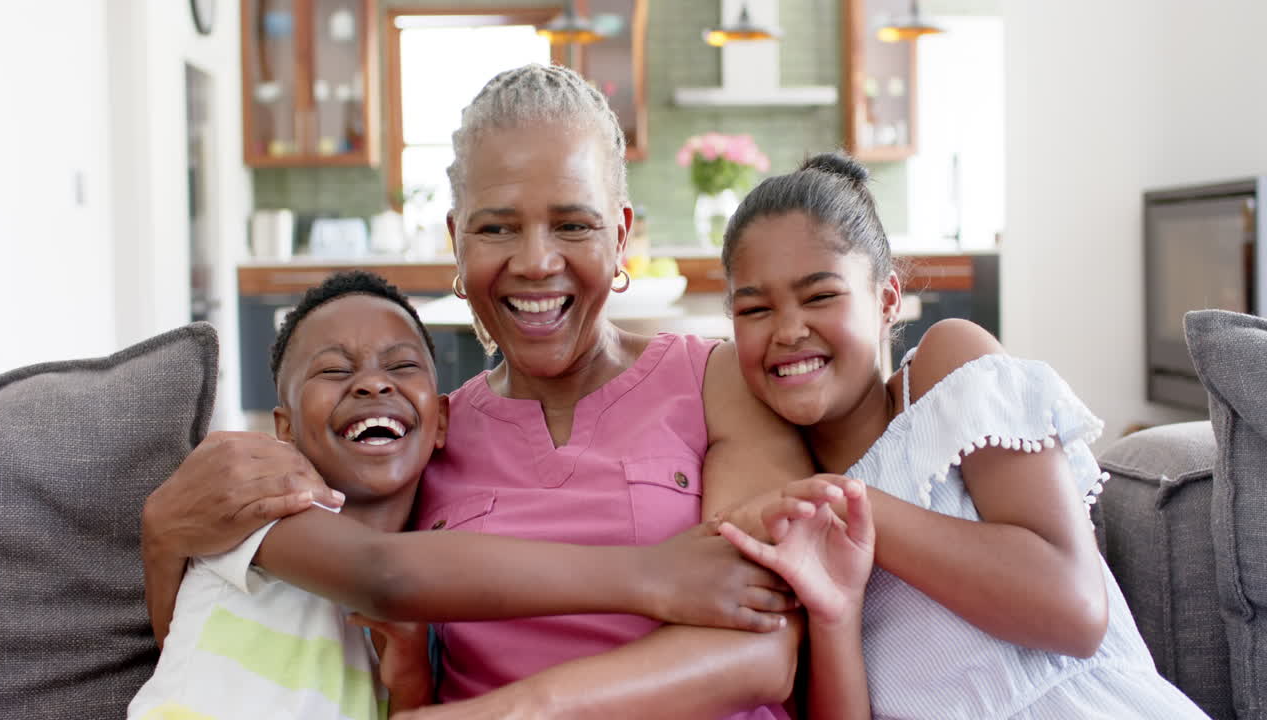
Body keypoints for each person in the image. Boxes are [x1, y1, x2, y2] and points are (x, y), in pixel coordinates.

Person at [141, 64, 818, 719]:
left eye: (573, 224)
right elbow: (318, 578)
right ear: (456, 247)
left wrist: (514, 711)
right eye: (496, 228)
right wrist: (165, 528)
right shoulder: (424, 434)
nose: (535, 261)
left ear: (620, 236)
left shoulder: (716, 380)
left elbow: (762, 653)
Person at [129, 270, 797, 719]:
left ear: (445, 418)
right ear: (282, 427)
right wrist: (651, 575)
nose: (371, 384)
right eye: (334, 371)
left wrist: (415, 673)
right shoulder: (268, 503)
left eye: (401, 367)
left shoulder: (429, 583)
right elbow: (383, 576)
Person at [715, 151, 1212, 719]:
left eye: (821, 296)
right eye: (754, 309)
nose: (788, 330)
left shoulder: (945, 375)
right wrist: (834, 610)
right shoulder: (777, 488)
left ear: (886, 302)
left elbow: (1073, 611)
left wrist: (853, 504)